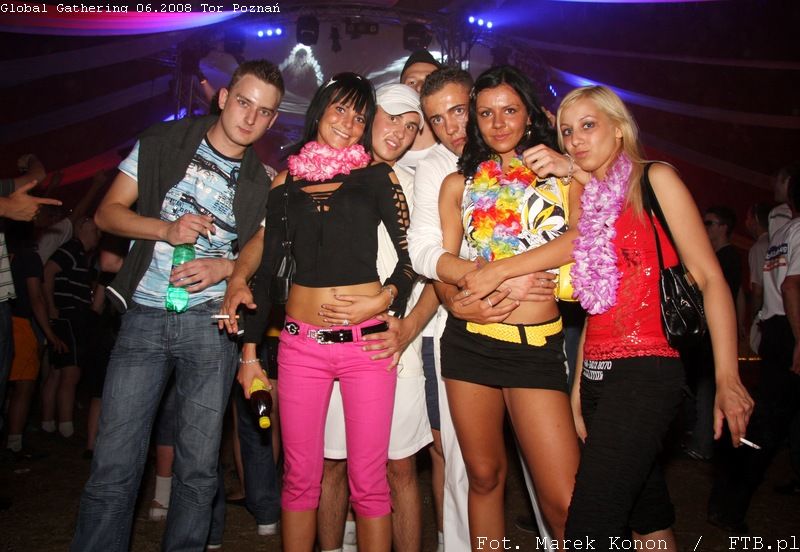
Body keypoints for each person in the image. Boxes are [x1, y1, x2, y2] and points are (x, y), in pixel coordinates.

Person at [71, 59, 284, 552]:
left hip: (211, 326)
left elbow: (261, 259)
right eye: (244, 102)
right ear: (224, 97)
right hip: (145, 315)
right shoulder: (161, 143)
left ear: (273, 120)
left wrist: (224, 267)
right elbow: (107, 214)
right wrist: (165, 229)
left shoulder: (264, 181)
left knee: (198, 467)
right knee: (115, 462)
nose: (250, 118)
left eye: (264, 112)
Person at [224, 72, 415, 552]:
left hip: (366, 346)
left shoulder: (377, 175)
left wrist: (384, 300)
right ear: (321, 110)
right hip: (299, 347)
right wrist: (249, 355)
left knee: (369, 482)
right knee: (298, 478)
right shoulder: (286, 181)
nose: (349, 123)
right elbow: (268, 272)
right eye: (340, 109)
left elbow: (411, 262)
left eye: (360, 116)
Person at [556, 85, 753, 545]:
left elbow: (709, 278)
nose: (575, 139)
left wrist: (728, 377)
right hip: (598, 373)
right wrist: (579, 385)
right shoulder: (589, 200)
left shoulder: (654, 179)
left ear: (619, 129)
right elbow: (595, 304)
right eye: (566, 131)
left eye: (588, 125)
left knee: (589, 526)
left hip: (647, 370)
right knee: (646, 514)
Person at [408, 66, 559, 550]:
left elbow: (586, 239)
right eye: (486, 113)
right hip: (469, 344)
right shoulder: (455, 180)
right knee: (483, 476)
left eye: (509, 110)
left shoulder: (560, 170)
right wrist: (462, 296)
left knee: (562, 499)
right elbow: (435, 258)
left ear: (529, 113)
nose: (498, 123)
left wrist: (502, 271)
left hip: (535, 346)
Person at [317, 83, 435, 552]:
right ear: (369, 117)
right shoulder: (324, 173)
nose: (400, 133)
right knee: (333, 464)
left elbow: (433, 273)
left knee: (400, 466)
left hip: (394, 342)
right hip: (333, 340)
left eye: (411, 126)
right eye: (392, 118)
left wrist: (405, 327)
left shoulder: (417, 186)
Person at [707, 163, 800, 530]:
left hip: (778, 329)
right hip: (790, 331)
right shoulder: (795, 231)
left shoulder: (783, 233)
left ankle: (725, 497)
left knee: (768, 422)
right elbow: (792, 287)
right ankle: (729, 504)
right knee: (766, 427)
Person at [41, 216, 101, 439]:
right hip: (69, 316)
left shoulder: (81, 254)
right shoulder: (72, 248)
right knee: (71, 372)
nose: (98, 236)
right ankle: (66, 426)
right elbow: (48, 271)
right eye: (95, 231)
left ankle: (48, 422)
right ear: (84, 229)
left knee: (57, 371)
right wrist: (51, 307)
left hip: (68, 316)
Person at [395, 49, 442, 175]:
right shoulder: (384, 147)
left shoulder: (454, 146)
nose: (420, 87)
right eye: (412, 82)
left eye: (429, 81)